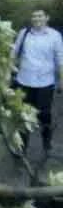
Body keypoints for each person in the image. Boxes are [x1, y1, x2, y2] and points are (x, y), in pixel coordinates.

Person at [12, 9, 63, 160]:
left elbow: (60, 60)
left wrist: (61, 80)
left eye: (40, 16)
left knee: (44, 115)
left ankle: (46, 145)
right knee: (22, 116)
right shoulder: (24, 33)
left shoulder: (55, 36)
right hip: (24, 81)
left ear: (47, 18)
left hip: (45, 83)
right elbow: (14, 53)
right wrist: (8, 69)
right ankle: (21, 148)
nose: (36, 18)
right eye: (34, 16)